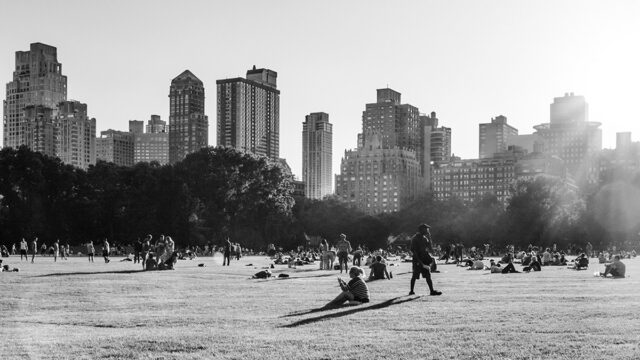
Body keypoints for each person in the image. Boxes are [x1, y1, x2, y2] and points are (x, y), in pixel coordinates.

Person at [409, 224, 442, 296]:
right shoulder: (415, 239)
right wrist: (420, 262)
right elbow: (414, 252)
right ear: (421, 230)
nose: (428, 230)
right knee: (414, 275)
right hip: (417, 260)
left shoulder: (425, 238)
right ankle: (411, 291)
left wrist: (429, 238)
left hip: (424, 259)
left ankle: (432, 291)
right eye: (426, 229)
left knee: (428, 275)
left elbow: (431, 249)